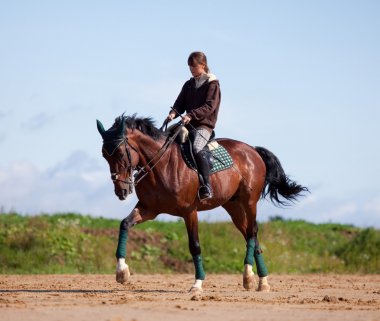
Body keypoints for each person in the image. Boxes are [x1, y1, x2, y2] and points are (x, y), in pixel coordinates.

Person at [166, 51, 221, 200]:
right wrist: (173, 113)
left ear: (203, 65)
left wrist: (191, 115)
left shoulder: (213, 84)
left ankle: (206, 186)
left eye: (194, 66)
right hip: (187, 124)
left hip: (204, 126)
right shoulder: (189, 84)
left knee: (197, 148)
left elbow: (209, 106)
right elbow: (180, 103)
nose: (191, 69)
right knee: (166, 141)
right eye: (189, 66)